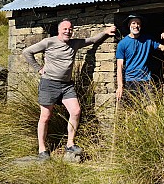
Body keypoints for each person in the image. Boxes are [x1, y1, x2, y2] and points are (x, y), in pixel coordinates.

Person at [22, 19, 116, 160]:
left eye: (70, 29)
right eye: (65, 29)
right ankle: (42, 149)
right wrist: (39, 69)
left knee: (76, 111)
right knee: (45, 117)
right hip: (49, 84)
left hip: (66, 85)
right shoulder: (49, 42)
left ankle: (70, 143)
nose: (68, 31)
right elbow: (27, 52)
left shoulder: (74, 43)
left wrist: (105, 32)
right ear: (59, 30)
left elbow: (91, 40)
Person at [115, 14, 164, 108]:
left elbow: (163, 48)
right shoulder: (122, 43)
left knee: (152, 109)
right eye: (133, 23)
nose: (136, 26)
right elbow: (119, 67)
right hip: (130, 81)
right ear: (129, 25)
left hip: (146, 80)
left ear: (141, 26)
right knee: (131, 112)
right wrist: (120, 86)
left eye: (138, 23)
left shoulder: (148, 39)